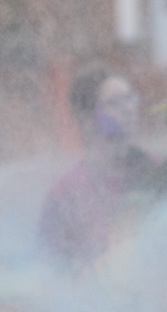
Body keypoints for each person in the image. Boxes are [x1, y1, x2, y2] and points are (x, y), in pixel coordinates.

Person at [38, 66, 157, 267]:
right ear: (86, 118)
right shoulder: (66, 195)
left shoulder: (159, 169)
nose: (129, 109)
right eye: (115, 103)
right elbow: (50, 272)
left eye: (130, 99)